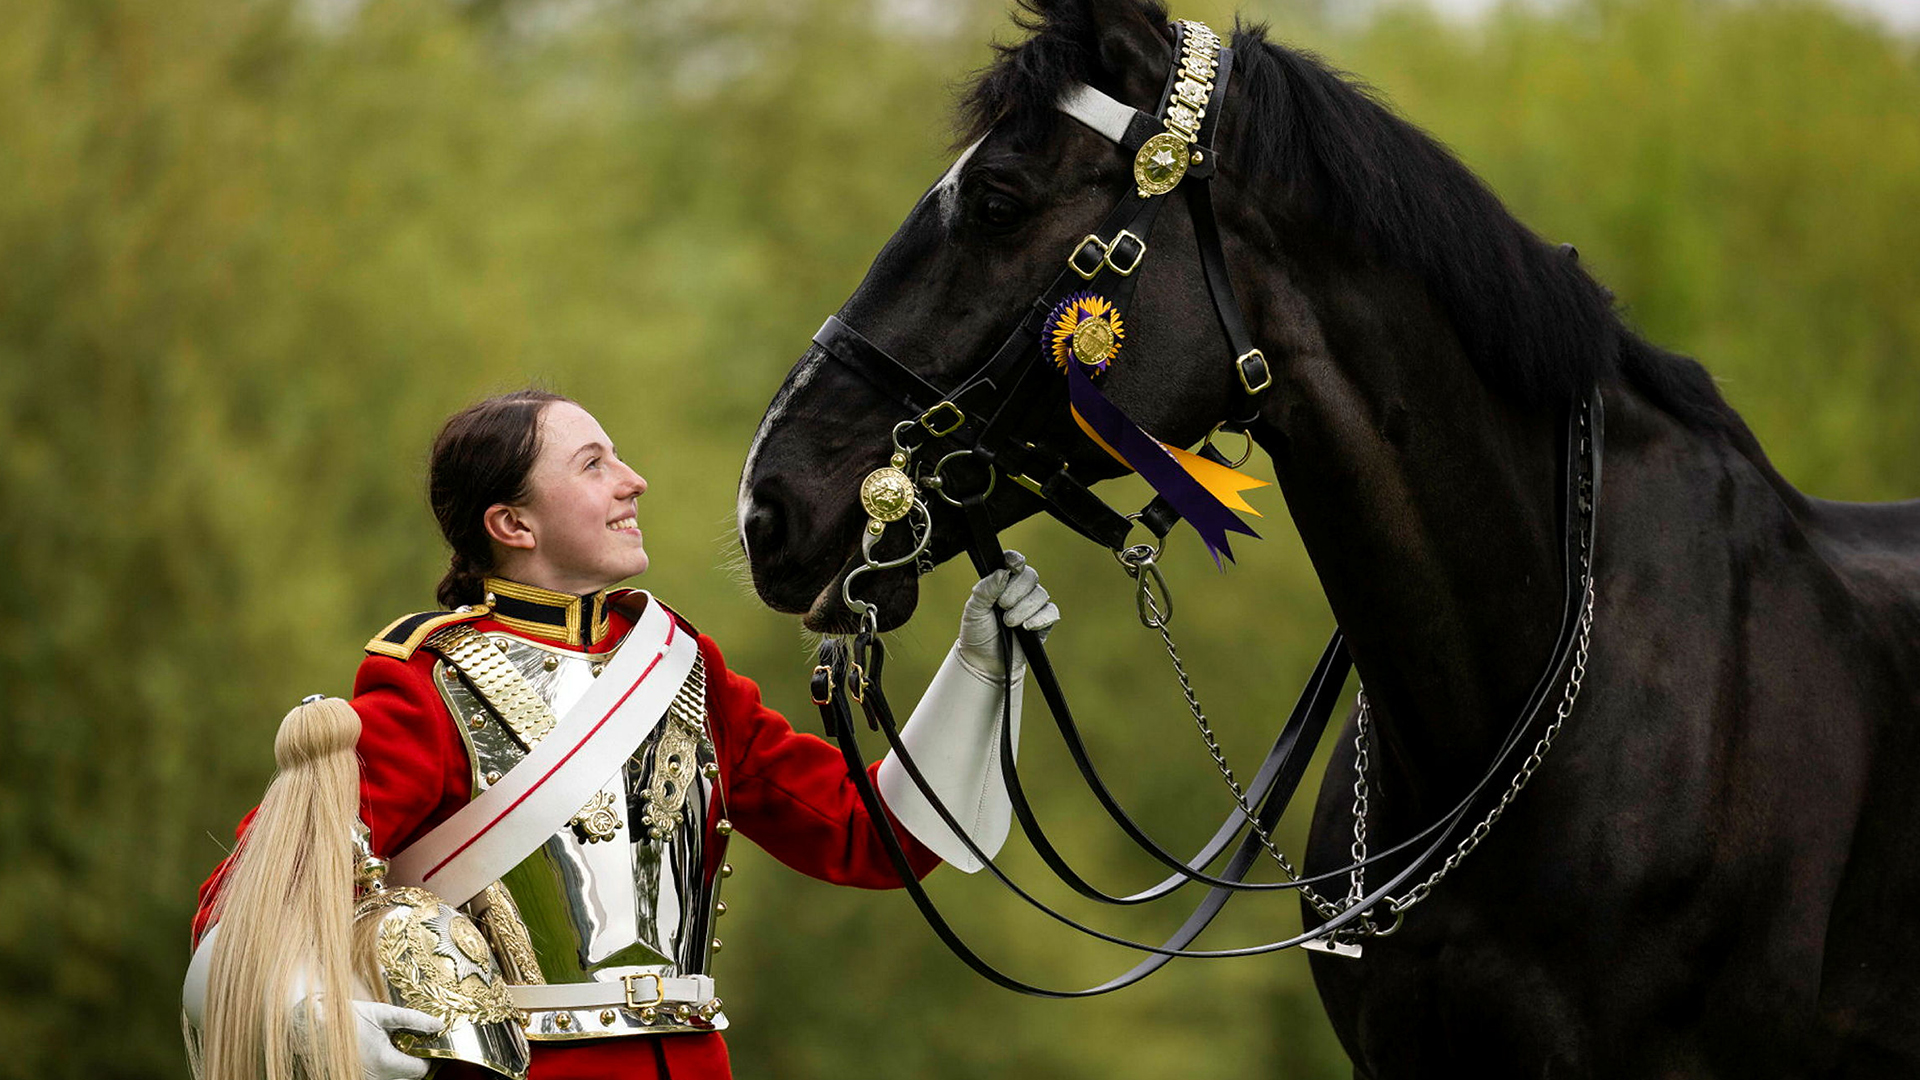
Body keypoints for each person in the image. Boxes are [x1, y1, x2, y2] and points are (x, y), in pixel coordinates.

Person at [182, 389, 1057, 1080]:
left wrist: (979, 671)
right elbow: (250, 898)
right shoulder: (429, 684)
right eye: (594, 464)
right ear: (512, 524)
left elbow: (869, 836)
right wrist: (319, 1018)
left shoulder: (681, 666)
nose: (632, 481)